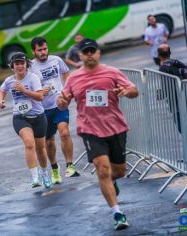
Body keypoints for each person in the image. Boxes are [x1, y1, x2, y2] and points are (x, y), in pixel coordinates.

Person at [57, 38, 138, 230]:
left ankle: (111, 182)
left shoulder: (112, 72)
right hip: (90, 129)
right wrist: (62, 101)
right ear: (80, 55)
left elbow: (134, 90)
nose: (90, 54)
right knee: (102, 169)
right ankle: (117, 213)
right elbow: (62, 102)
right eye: (86, 52)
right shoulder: (74, 78)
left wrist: (126, 91)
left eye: (93, 50)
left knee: (118, 171)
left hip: (115, 127)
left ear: (98, 53)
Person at [30, 36, 80, 185]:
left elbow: (66, 73)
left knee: (64, 132)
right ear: (34, 51)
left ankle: (70, 166)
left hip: (59, 104)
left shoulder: (56, 60)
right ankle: (54, 169)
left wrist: (67, 88)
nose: (43, 52)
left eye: (45, 49)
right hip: (42, 109)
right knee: (49, 141)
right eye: (39, 50)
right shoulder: (30, 67)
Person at [0, 52, 52, 189]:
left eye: (22, 63)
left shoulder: (33, 78)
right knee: (29, 143)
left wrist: (23, 90)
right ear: (12, 66)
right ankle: (35, 178)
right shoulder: (9, 80)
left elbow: (40, 97)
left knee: (40, 148)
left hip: (38, 116)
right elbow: (2, 89)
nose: (20, 66)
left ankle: (45, 172)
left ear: (27, 64)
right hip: (20, 117)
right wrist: (1, 101)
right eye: (17, 64)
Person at [158, 44, 187, 156]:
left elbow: (167, 86)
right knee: (185, 124)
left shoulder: (163, 67)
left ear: (159, 55)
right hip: (185, 96)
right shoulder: (177, 63)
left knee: (182, 126)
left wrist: (162, 94)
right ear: (170, 53)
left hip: (175, 101)